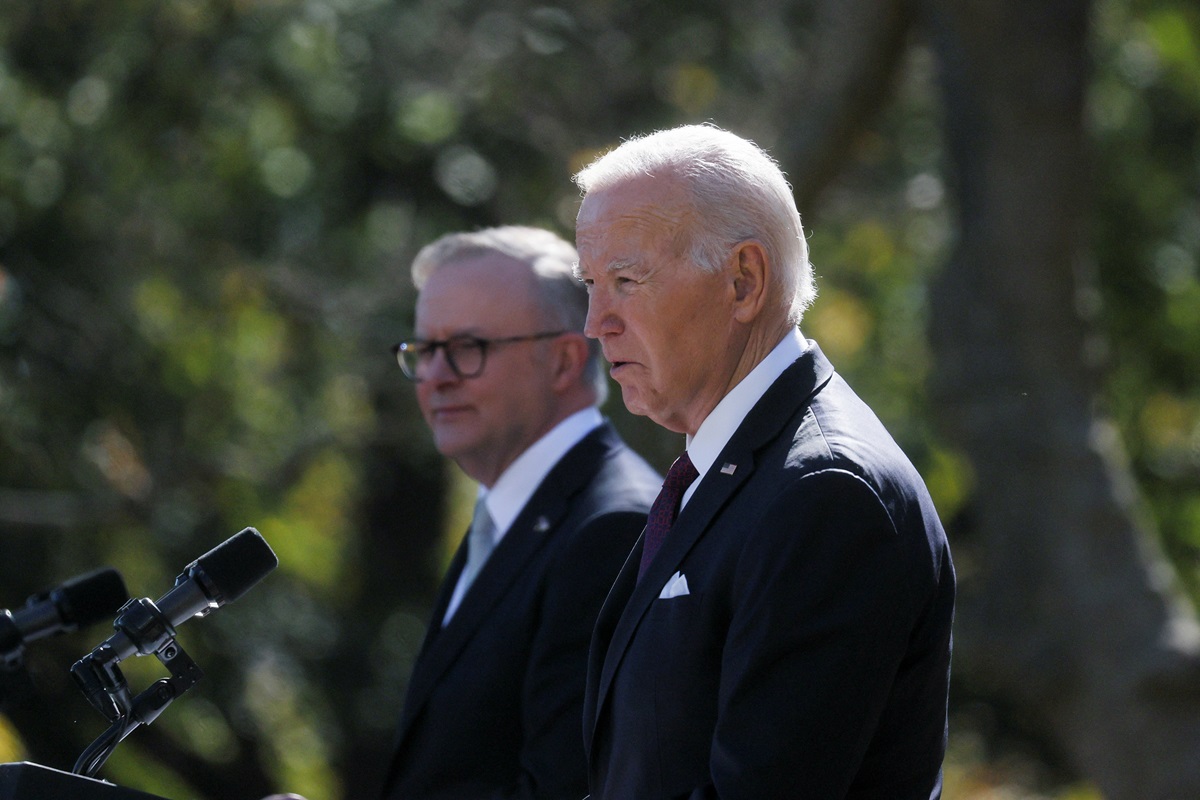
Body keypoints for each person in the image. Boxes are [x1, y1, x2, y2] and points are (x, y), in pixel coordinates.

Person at [572, 124, 955, 799]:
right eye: (591, 285)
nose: (595, 321)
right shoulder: (739, 469)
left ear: (743, 281)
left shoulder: (825, 492)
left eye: (627, 281)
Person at [377, 225, 660, 800]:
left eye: (466, 348)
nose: (435, 377)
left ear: (562, 361)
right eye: (424, 351)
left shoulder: (611, 529)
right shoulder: (509, 512)